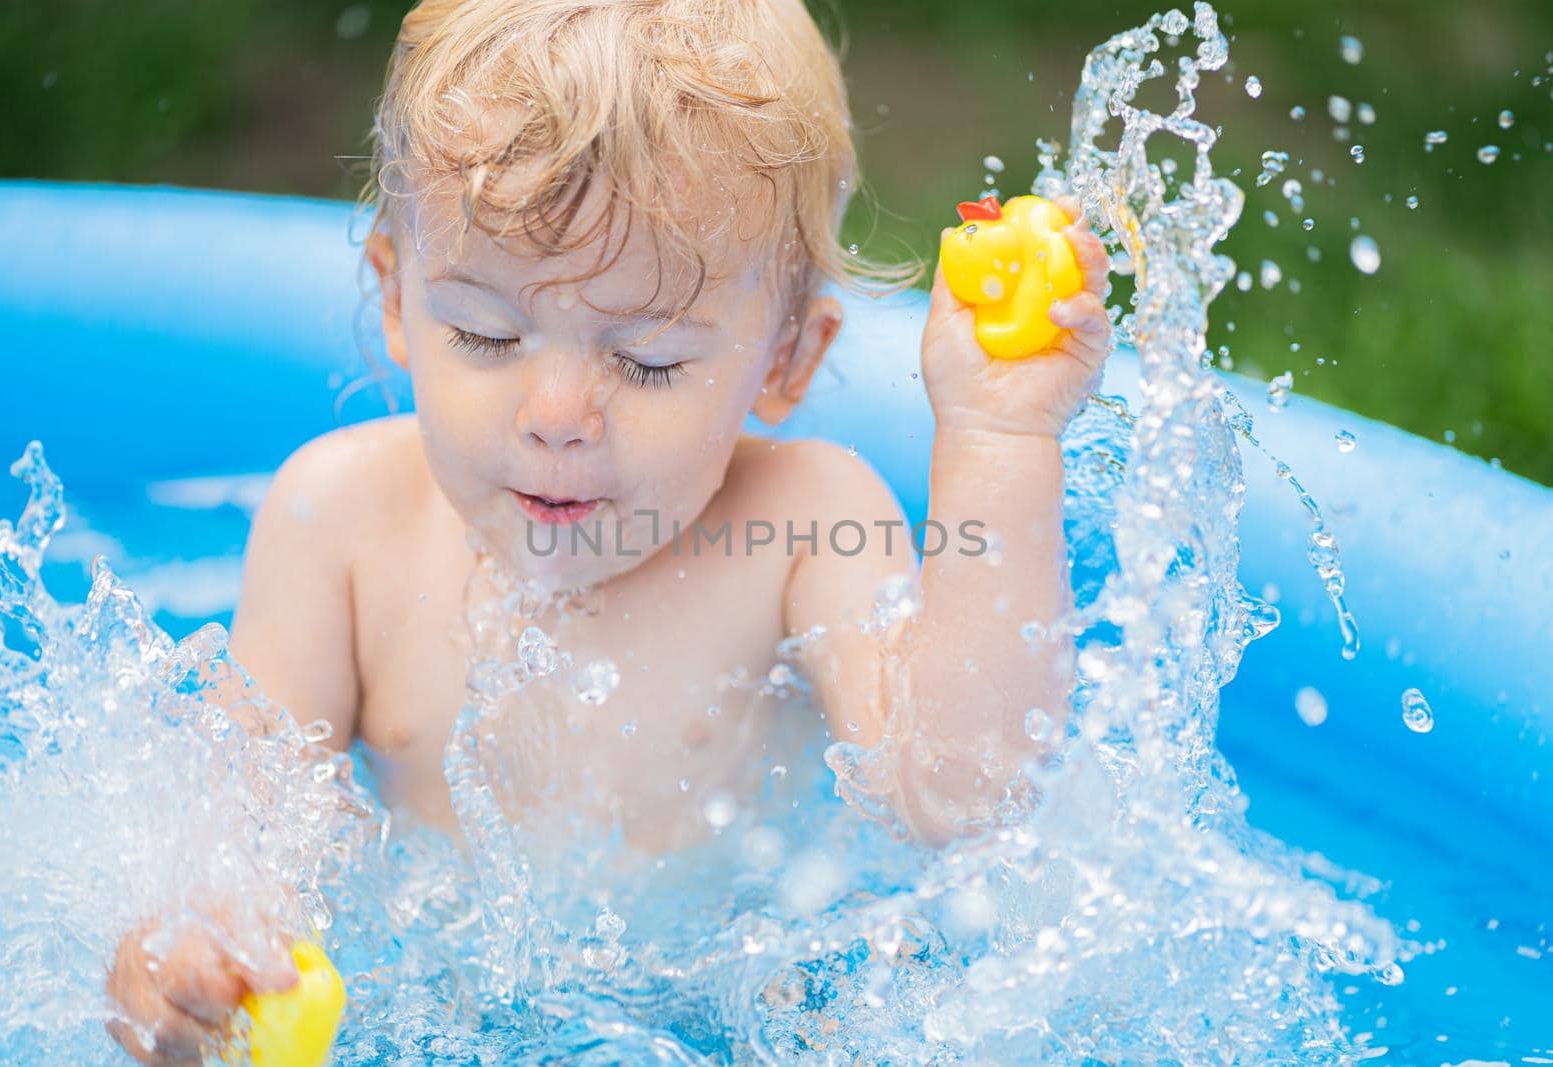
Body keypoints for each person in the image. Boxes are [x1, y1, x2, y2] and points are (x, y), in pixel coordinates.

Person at [106, 0, 1110, 1061]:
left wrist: (997, 442)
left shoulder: (806, 524)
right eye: (486, 335)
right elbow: (243, 841)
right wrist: (184, 964)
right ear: (398, 300)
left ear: (785, 359)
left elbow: (958, 789)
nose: (555, 414)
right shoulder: (342, 521)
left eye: (649, 360)